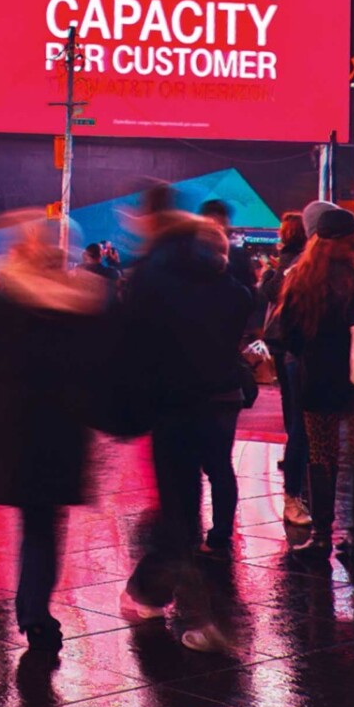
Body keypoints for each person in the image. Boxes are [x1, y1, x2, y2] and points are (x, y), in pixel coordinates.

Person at [0, 213, 108, 657]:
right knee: (44, 525)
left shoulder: (2, 302)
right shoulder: (83, 303)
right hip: (62, 429)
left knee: (33, 520)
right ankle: (34, 612)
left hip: (12, 426)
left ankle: (33, 610)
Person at [117, 188, 253, 650]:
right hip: (217, 397)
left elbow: (133, 344)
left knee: (178, 505)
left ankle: (180, 606)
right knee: (193, 495)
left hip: (169, 405)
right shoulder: (226, 286)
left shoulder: (152, 276)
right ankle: (162, 596)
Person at [264, 204, 354, 568]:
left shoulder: (301, 277)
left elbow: (285, 332)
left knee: (322, 457)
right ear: (353, 238)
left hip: (318, 378)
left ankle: (322, 536)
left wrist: (310, 351)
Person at [260, 210, 312, 525]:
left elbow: (270, 292)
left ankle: (292, 447)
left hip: (284, 338)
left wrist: (267, 275)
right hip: (288, 340)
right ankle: (294, 448)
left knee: (292, 402)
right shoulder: (297, 260)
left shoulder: (290, 261)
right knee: (294, 404)